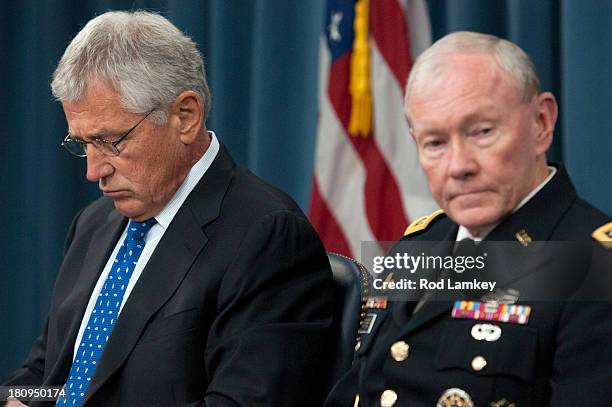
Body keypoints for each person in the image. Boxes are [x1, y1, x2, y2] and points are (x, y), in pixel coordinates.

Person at [2, 11, 334, 407]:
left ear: (185, 117)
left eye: (110, 141)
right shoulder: (93, 224)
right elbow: (47, 373)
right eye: (83, 143)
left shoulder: (267, 237)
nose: (94, 171)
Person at [325, 31, 611, 407]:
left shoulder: (595, 265)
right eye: (435, 143)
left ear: (541, 123)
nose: (459, 166)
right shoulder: (418, 245)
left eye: (482, 132)